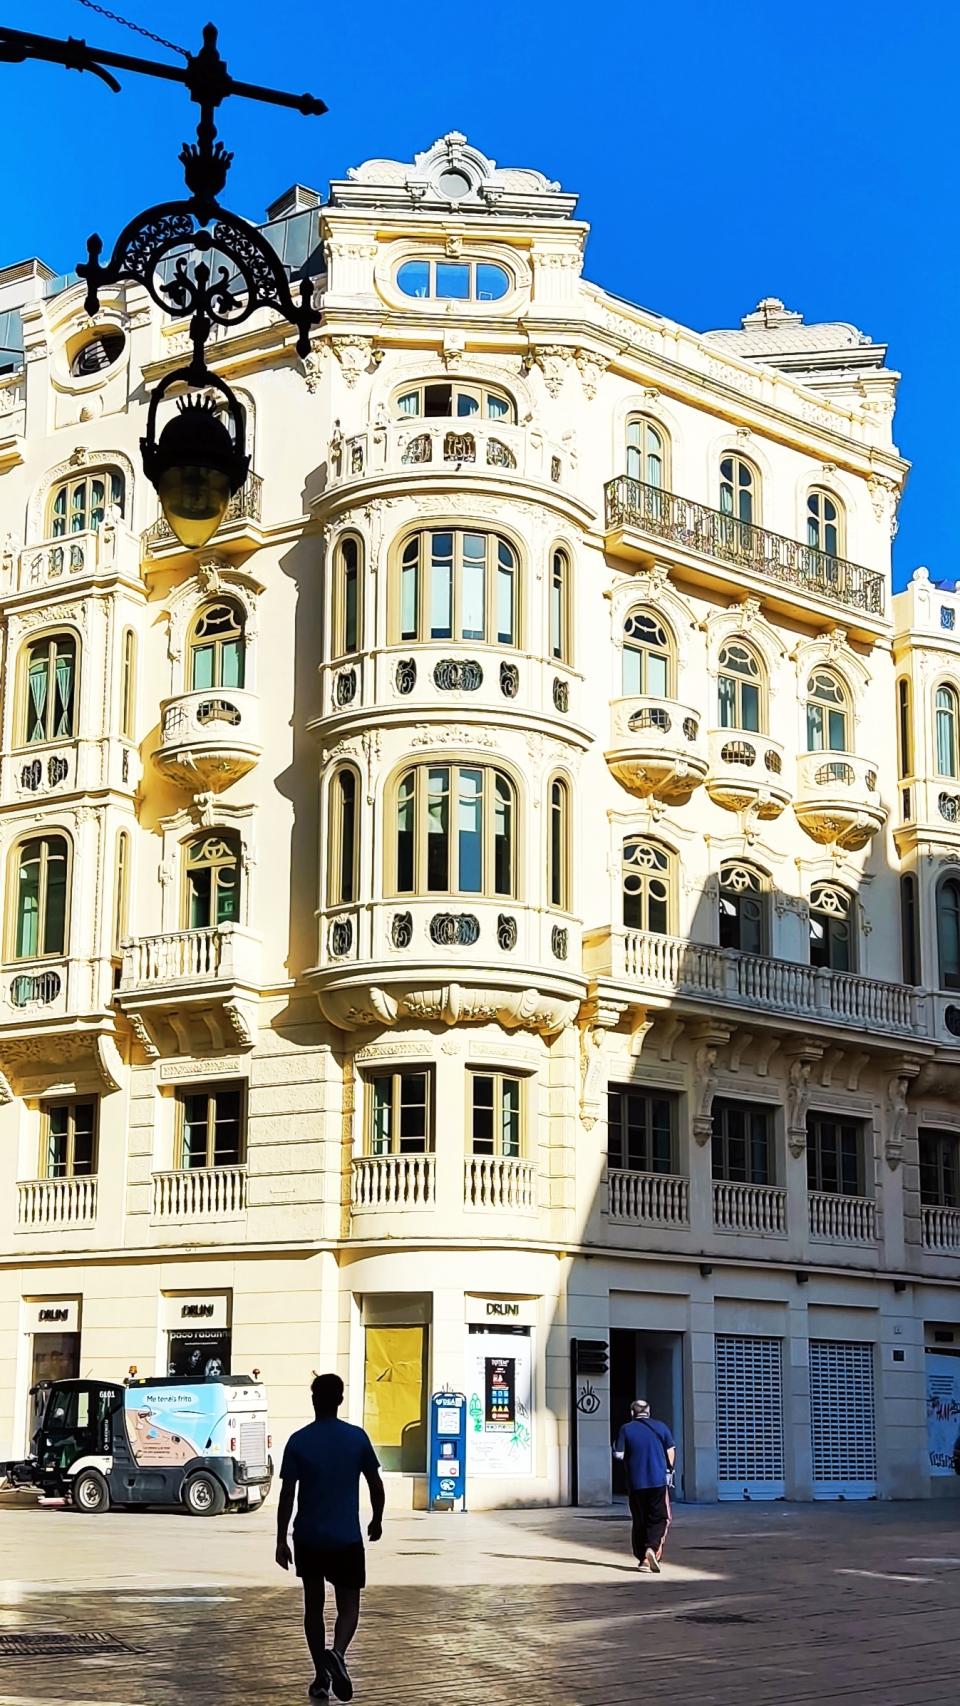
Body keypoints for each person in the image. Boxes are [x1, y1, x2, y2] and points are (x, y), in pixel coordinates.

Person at [276, 1373, 385, 1702]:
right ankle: (337, 1653)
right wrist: (377, 1519)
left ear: (314, 1399)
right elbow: (375, 1484)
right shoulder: (356, 1438)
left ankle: (321, 1677)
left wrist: (281, 1538)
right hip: (346, 1538)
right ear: (339, 1400)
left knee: (313, 1607)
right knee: (349, 1607)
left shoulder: (298, 1441)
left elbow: (286, 1495)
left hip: (308, 1537)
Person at [613, 1398, 676, 1573]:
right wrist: (669, 1471)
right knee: (660, 1517)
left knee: (640, 1520)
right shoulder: (661, 1427)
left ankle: (643, 1559)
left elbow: (619, 1454)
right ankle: (652, 1549)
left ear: (632, 1413)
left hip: (635, 1483)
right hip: (657, 1481)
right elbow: (671, 1451)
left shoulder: (626, 1429)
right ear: (648, 1411)